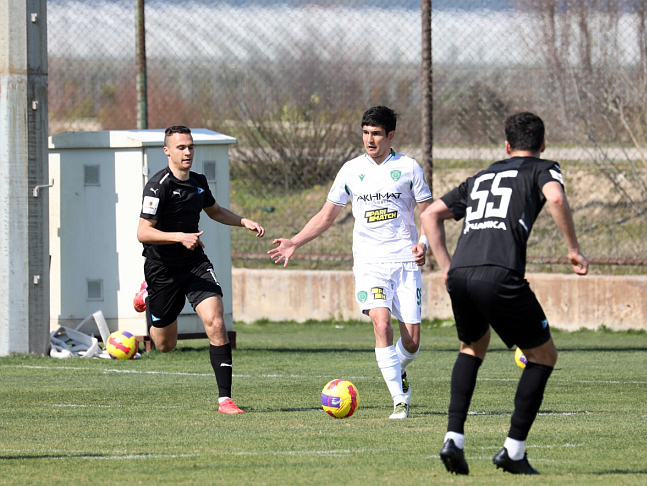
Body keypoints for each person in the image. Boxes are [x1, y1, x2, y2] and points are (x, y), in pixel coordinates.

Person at [420, 112, 589, 475]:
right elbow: (556, 199)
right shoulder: (543, 168)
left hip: (461, 273)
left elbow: (430, 215)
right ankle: (513, 451)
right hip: (499, 274)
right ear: (543, 144)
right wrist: (574, 249)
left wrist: (447, 267)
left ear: (507, 145)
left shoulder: (482, 176)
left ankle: (453, 438)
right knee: (543, 356)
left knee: (472, 347)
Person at [268, 106, 433, 419]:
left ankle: (398, 369)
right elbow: (326, 216)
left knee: (411, 342)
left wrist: (423, 244)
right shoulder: (351, 170)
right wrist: (295, 241)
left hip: (404, 262)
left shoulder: (409, 168)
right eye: (366, 133)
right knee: (381, 324)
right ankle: (399, 401)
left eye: (377, 134)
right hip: (370, 262)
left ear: (391, 136)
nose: (370, 140)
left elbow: (429, 213)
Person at [137, 125, 265, 414]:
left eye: (190, 147)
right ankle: (148, 294)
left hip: (195, 264)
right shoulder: (157, 187)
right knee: (165, 345)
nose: (187, 152)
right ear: (167, 151)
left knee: (216, 323)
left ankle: (225, 400)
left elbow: (214, 211)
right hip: (162, 269)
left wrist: (242, 221)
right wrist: (179, 237)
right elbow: (143, 232)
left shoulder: (198, 181)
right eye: (181, 147)